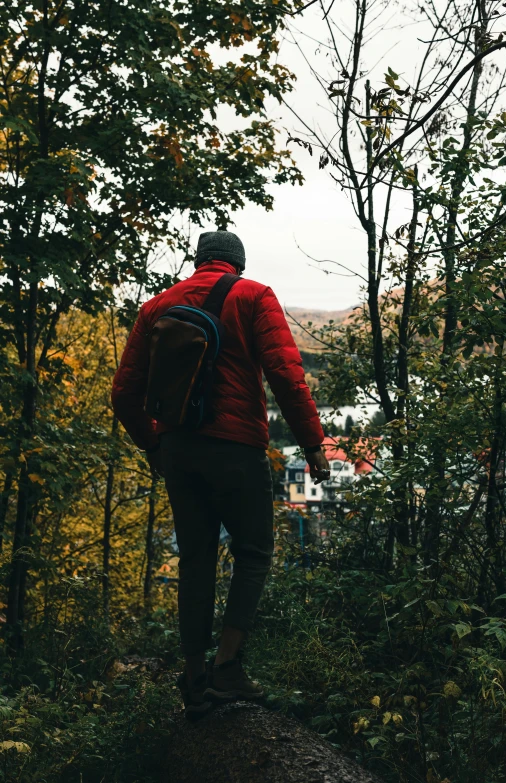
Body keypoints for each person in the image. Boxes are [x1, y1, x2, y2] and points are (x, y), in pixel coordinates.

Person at [112, 230, 330, 718]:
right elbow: (287, 376)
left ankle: (193, 678)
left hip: (179, 451)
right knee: (253, 551)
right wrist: (313, 444)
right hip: (236, 449)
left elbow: (124, 393)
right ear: (238, 265)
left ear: (199, 262)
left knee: (195, 558)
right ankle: (227, 667)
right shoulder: (253, 296)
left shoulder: (156, 307)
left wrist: (153, 444)